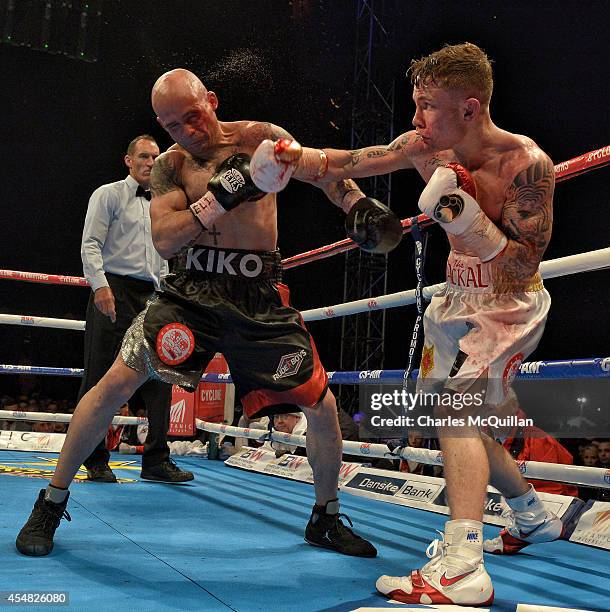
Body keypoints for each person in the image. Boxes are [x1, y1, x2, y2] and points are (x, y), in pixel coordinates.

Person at [15, 68, 402, 558]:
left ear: (212, 101)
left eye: (193, 117)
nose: (187, 131)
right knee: (113, 383)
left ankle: (325, 517)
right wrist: (221, 196)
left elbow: (323, 172)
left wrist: (358, 205)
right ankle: (50, 503)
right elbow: (166, 237)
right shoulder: (170, 167)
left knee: (321, 404)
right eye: (172, 125)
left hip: (258, 294)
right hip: (190, 291)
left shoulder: (262, 138)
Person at [256, 42, 558, 606]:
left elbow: (525, 263)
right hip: (454, 304)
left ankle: (463, 565)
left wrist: (470, 222)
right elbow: (350, 162)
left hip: (508, 307)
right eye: (415, 103)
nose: (415, 118)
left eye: (428, 105)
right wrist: (290, 159)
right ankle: (532, 516)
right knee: (457, 423)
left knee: (455, 413)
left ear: (470, 109)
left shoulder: (526, 166)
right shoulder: (425, 148)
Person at [79, 134, 193, 484]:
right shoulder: (109, 194)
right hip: (114, 288)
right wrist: (100, 285)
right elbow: (91, 244)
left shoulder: (166, 203)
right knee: (98, 374)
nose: (150, 162)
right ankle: (95, 458)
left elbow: (169, 253)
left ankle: (157, 459)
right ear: (128, 160)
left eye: (156, 157)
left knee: (161, 375)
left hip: (156, 294)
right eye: (143, 156)